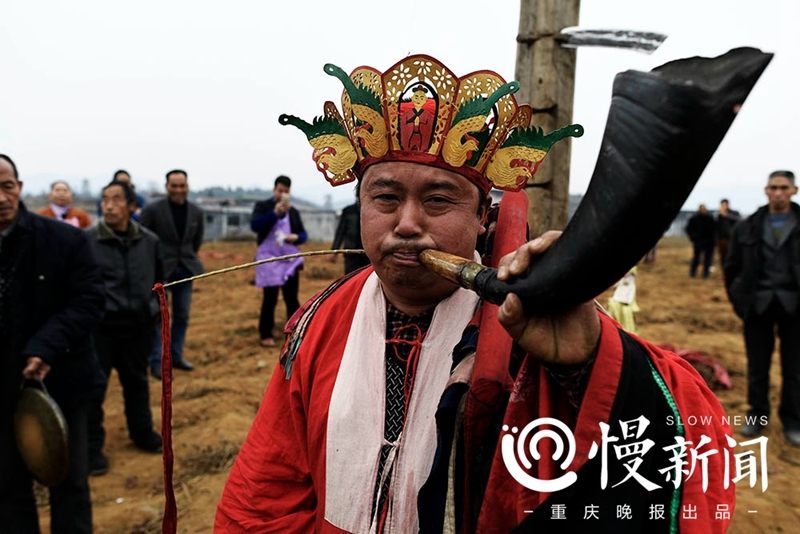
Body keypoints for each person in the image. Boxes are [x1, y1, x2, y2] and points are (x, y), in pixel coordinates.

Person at [216, 56, 734, 533]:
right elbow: (269, 487)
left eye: (439, 200)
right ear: (360, 207)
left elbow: (694, 452)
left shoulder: (531, 318)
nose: (408, 225)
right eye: (386, 198)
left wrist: (583, 364)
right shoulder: (320, 321)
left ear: (483, 217)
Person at [0, 154, 106, 533]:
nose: (1, 197)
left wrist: (45, 346)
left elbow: (90, 301)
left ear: (20, 188)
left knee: (69, 482)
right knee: (7, 487)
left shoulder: (64, 239)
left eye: (7, 186)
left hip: (62, 381)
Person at [85, 180, 164, 476]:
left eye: (117, 199)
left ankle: (141, 432)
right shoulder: (87, 240)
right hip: (100, 330)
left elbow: (159, 281)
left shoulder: (150, 241)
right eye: (105, 199)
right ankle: (92, 448)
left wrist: (152, 311)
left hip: (137, 327)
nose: (109, 205)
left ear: (132, 206)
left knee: (136, 383)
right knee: (94, 388)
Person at [725, 170, 800, 445]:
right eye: (773, 187)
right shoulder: (748, 226)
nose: (778, 192)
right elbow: (731, 267)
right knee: (757, 366)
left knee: (794, 368)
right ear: (766, 191)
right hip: (757, 306)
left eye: (783, 187)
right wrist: (740, 301)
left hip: (795, 307)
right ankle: (757, 415)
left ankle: (793, 421)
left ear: (794, 190)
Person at [140, 169, 204, 378]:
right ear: (166, 187)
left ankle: (176, 356)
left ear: (187, 186)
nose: (178, 190)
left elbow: (195, 241)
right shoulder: (152, 210)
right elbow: (144, 240)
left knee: (182, 315)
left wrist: (187, 258)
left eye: (182, 186)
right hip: (160, 271)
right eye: (174, 186)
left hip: (185, 269)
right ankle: (157, 361)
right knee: (159, 317)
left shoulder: (196, 212)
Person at [250, 175, 308, 347]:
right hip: (269, 261)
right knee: (270, 299)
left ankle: (295, 332)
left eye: (286, 192)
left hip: (289, 261)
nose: (283, 194)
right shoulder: (263, 207)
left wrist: (296, 237)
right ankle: (265, 333)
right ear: (274, 190)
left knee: (291, 298)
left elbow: (304, 235)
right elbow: (255, 226)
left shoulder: (294, 212)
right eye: (280, 190)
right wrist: (275, 213)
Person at [330, 201, 369, 275]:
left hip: (367, 252)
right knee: (350, 277)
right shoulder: (348, 211)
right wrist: (334, 250)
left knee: (366, 278)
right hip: (350, 251)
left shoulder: (371, 211)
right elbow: (340, 232)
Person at [685, 203, 716, 278]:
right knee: (696, 258)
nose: (703, 210)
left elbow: (715, 229)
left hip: (709, 242)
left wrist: (714, 240)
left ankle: (706, 274)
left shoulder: (710, 218)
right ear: (699, 210)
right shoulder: (694, 219)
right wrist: (693, 238)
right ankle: (692, 273)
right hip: (698, 241)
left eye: (704, 209)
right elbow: (688, 229)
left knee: (708, 259)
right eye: (702, 209)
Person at [715, 198, 740, 270]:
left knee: (732, 256)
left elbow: (738, 220)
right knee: (723, 257)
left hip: (732, 239)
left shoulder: (734, 213)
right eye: (722, 205)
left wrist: (726, 215)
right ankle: (724, 272)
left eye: (725, 205)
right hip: (721, 240)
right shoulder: (718, 215)